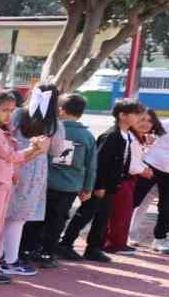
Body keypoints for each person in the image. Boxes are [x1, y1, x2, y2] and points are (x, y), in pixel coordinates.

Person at [0, 91, 47, 284]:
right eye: (4, 110)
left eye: (12, 110)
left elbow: (14, 159)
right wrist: (34, 149)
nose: (8, 114)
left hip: (1, 181)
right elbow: (11, 156)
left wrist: (35, 150)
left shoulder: (2, 130)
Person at [80, 99, 143, 258]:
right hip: (102, 185)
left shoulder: (126, 135)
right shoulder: (112, 135)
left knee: (103, 217)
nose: (139, 118)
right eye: (135, 114)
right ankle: (68, 243)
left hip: (112, 185)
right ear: (122, 115)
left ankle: (94, 247)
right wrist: (99, 185)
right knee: (87, 215)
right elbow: (100, 162)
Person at [45, 93, 104, 262]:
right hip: (71, 185)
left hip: (47, 182)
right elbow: (91, 166)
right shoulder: (87, 136)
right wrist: (88, 188)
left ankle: (34, 248)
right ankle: (49, 252)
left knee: (41, 217)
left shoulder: (52, 129)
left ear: (61, 110)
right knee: (59, 218)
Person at [8, 86, 58, 270]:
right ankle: (10, 259)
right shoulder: (53, 123)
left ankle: (2, 257)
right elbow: (57, 150)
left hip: (12, 163)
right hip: (35, 169)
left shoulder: (18, 114)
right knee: (19, 218)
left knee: (4, 214)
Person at [105, 101, 152, 252]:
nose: (142, 121)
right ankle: (113, 243)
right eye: (139, 116)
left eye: (147, 120)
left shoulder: (134, 138)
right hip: (121, 180)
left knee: (123, 213)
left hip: (127, 180)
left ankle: (118, 242)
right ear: (122, 116)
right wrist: (143, 170)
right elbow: (128, 163)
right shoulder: (118, 135)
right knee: (119, 214)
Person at [139, 109, 169, 253]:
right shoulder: (166, 124)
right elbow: (144, 131)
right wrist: (147, 139)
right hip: (152, 165)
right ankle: (113, 234)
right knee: (134, 200)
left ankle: (159, 239)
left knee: (167, 207)